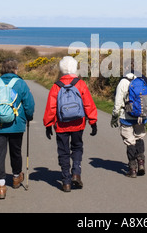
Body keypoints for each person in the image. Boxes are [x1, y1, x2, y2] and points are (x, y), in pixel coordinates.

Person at [43, 56, 98, 192]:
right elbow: (88, 103)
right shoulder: (80, 84)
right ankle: (76, 173)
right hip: (78, 123)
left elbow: (51, 107)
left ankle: (66, 181)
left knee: (63, 151)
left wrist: (48, 124)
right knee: (77, 147)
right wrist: (93, 121)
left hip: (61, 125)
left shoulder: (56, 86)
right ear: (74, 68)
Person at [0, 59, 35, 199]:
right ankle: (16, 177)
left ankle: (1, 186)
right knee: (16, 152)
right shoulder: (20, 83)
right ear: (15, 70)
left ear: (2, 70)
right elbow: (29, 104)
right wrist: (29, 117)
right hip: (16, 125)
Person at [111, 60, 147, 178]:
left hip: (126, 117)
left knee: (129, 141)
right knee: (139, 137)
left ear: (126, 67)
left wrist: (114, 115)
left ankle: (132, 169)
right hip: (141, 117)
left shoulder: (123, 82)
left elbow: (118, 101)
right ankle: (141, 162)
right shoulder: (143, 80)